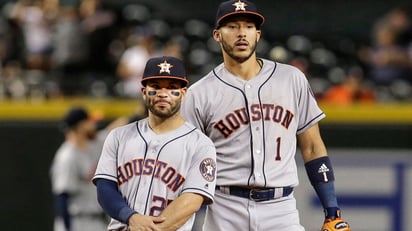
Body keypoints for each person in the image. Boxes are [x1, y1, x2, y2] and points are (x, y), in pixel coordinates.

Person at [180, 1, 350, 230]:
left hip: (281, 209)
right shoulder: (199, 94)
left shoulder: (291, 79)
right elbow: (183, 162)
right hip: (225, 209)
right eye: (232, 26)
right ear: (217, 35)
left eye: (249, 26)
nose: (242, 33)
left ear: (257, 35)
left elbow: (312, 147)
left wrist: (332, 210)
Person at [93, 56, 217, 231]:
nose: (163, 93)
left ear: (183, 93)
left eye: (172, 87)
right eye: (156, 87)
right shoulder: (118, 136)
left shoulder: (201, 144)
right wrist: (130, 217)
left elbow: (191, 201)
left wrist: (149, 229)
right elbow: (105, 189)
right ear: (144, 92)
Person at [50, 106, 129, 231]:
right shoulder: (67, 156)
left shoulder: (93, 144)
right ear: (81, 126)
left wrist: (138, 114)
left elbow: (113, 130)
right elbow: (62, 197)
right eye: (90, 122)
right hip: (76, 222)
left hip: (96, 221)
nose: (94, 124)